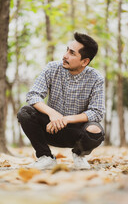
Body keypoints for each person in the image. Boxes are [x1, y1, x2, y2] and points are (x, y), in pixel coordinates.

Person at [17, 32, 105, 170]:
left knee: (95, 130)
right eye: (67, 50)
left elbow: (97, 112)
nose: (65, 55)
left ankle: (79, 155)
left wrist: (66, 119)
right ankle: (45, 157)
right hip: (50, 128)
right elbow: (33, 95)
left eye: (72, 53)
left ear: (85, 61)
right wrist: (52, 114)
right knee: (25, 112)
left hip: (77, 133)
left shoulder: (96, 78)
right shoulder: (52, 68)